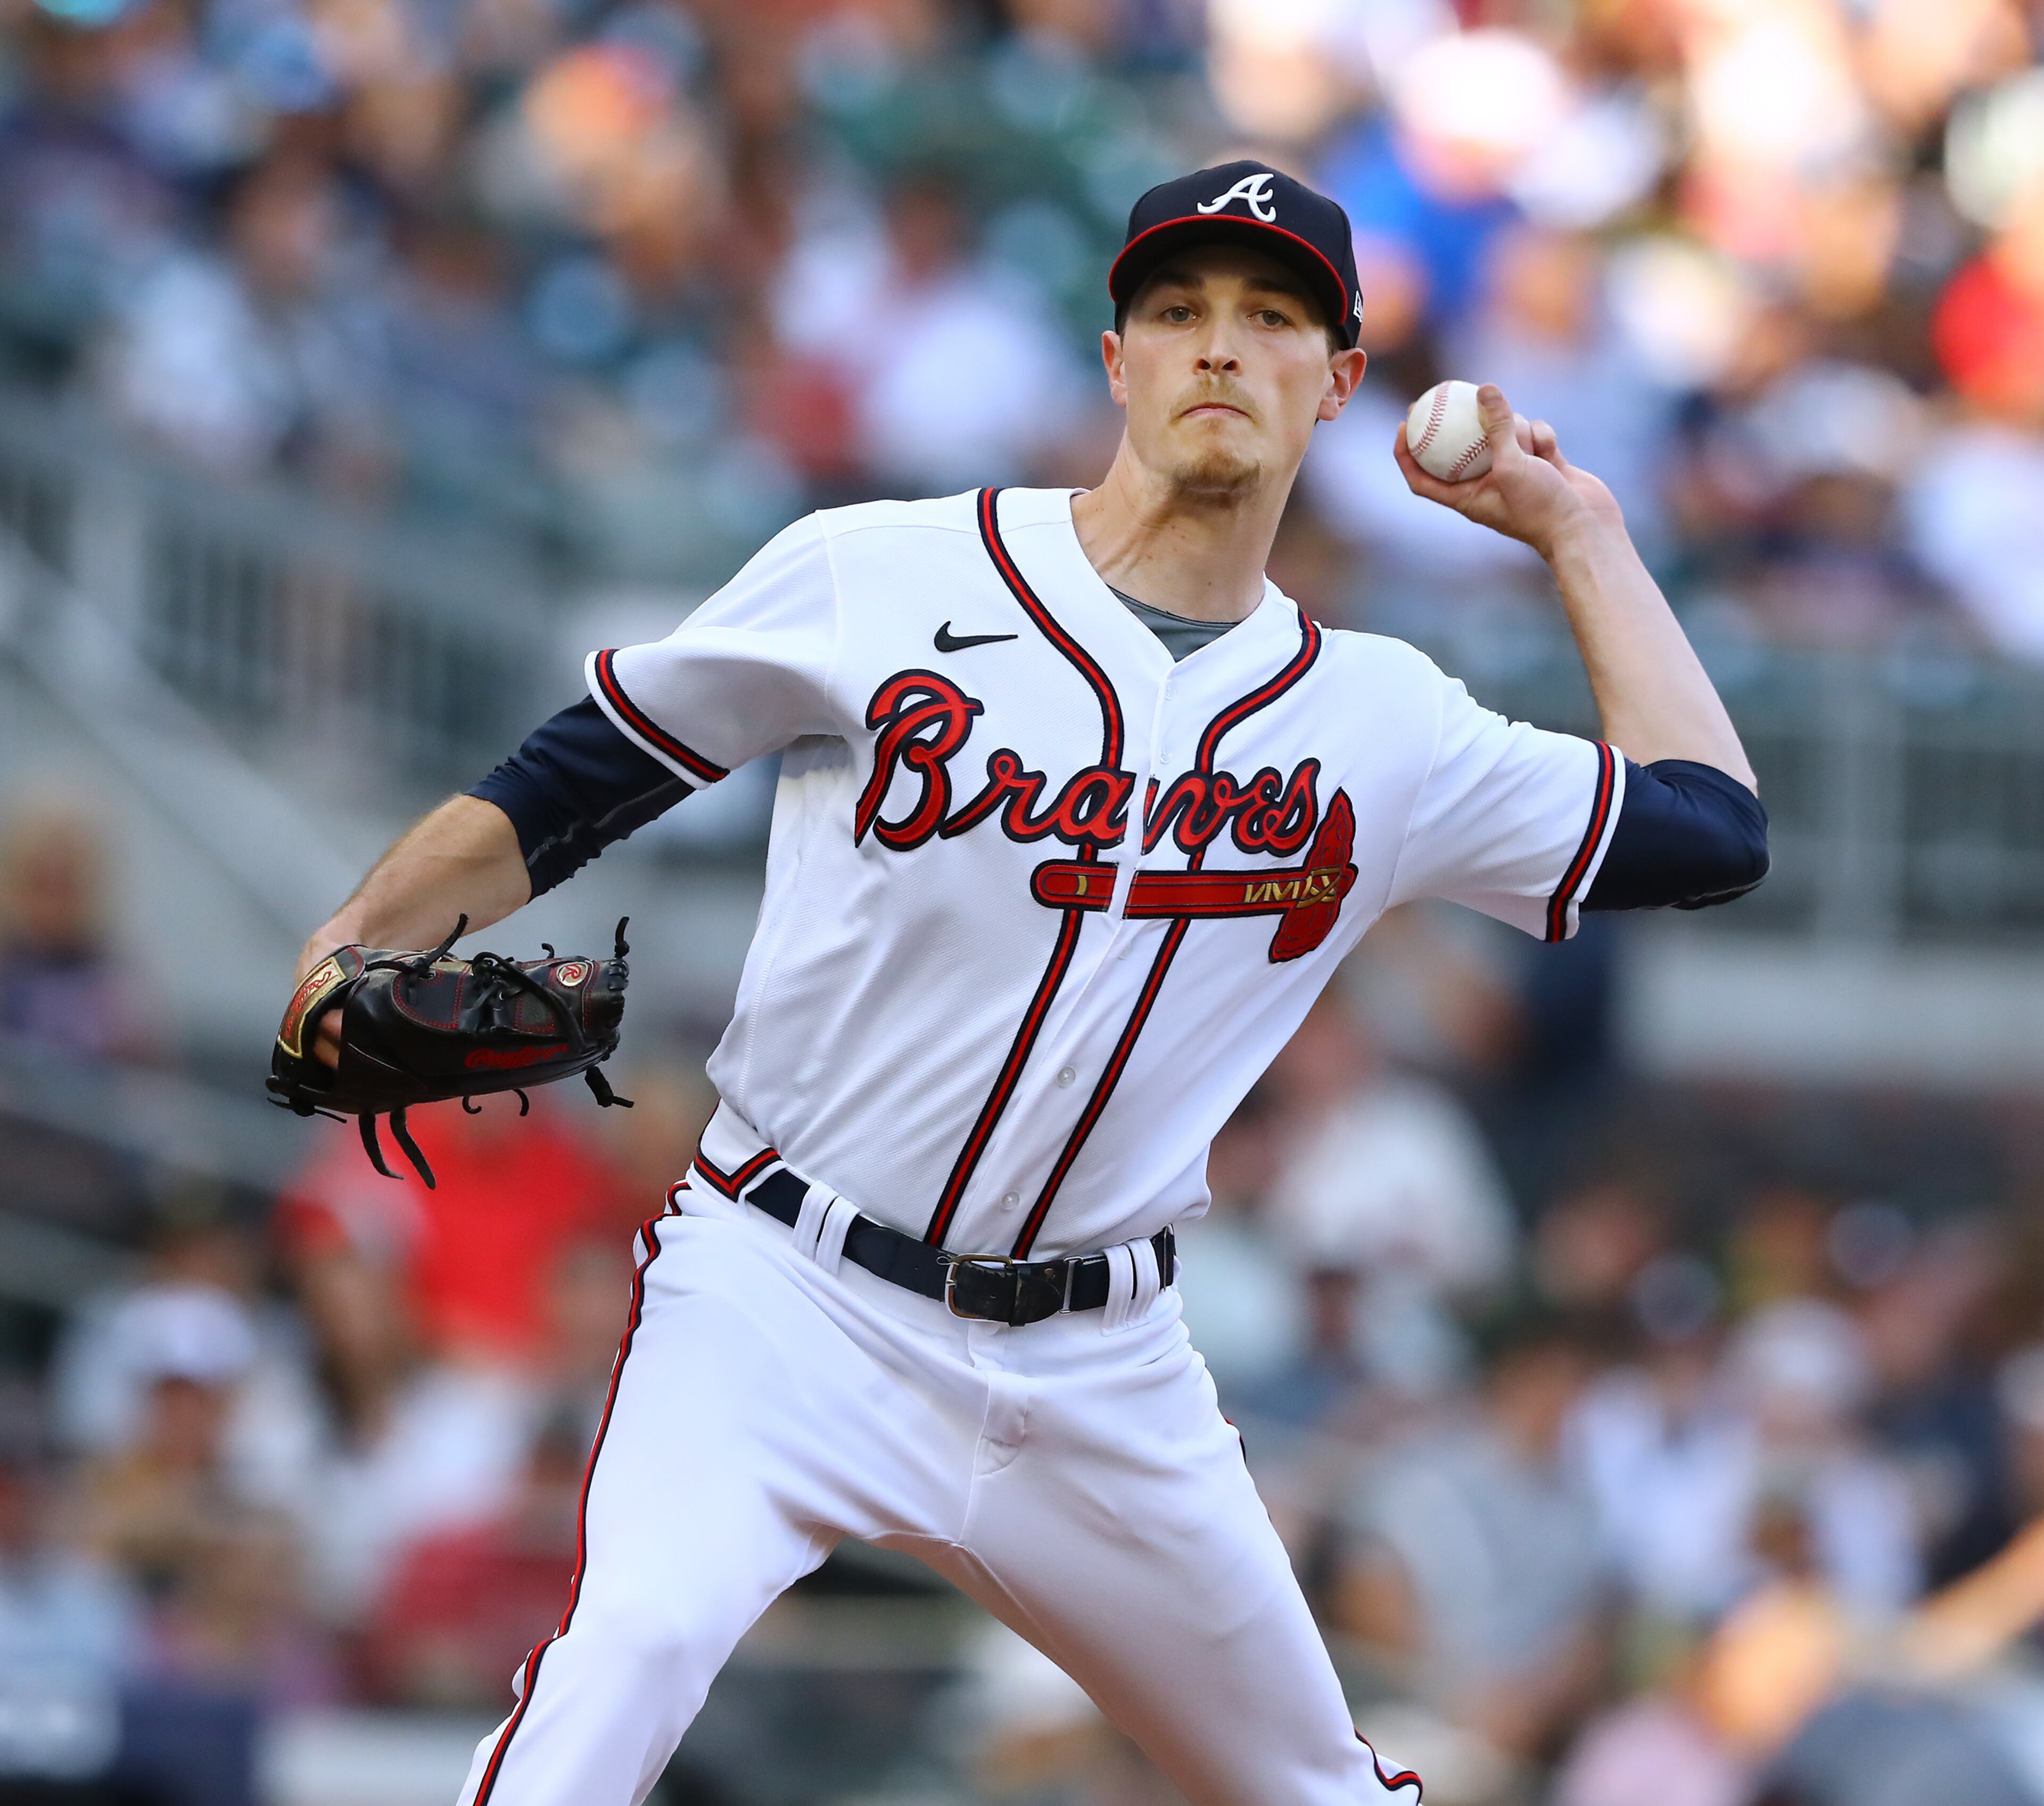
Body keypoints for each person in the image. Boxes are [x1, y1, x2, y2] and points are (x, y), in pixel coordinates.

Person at [287, 160, 1768, 1806]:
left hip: (1099, 1363)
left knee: (1325, 1794)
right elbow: (589, 770)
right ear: (1117, 359)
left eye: (1273, 319)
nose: (1222, 348)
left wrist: (1579, 531)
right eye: (1178, 311)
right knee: (613, 1684)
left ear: (1343, 383)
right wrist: (365, 928)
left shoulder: (1386, 723)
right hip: (786, 1292)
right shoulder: (891, 573)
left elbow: (1708, 831)